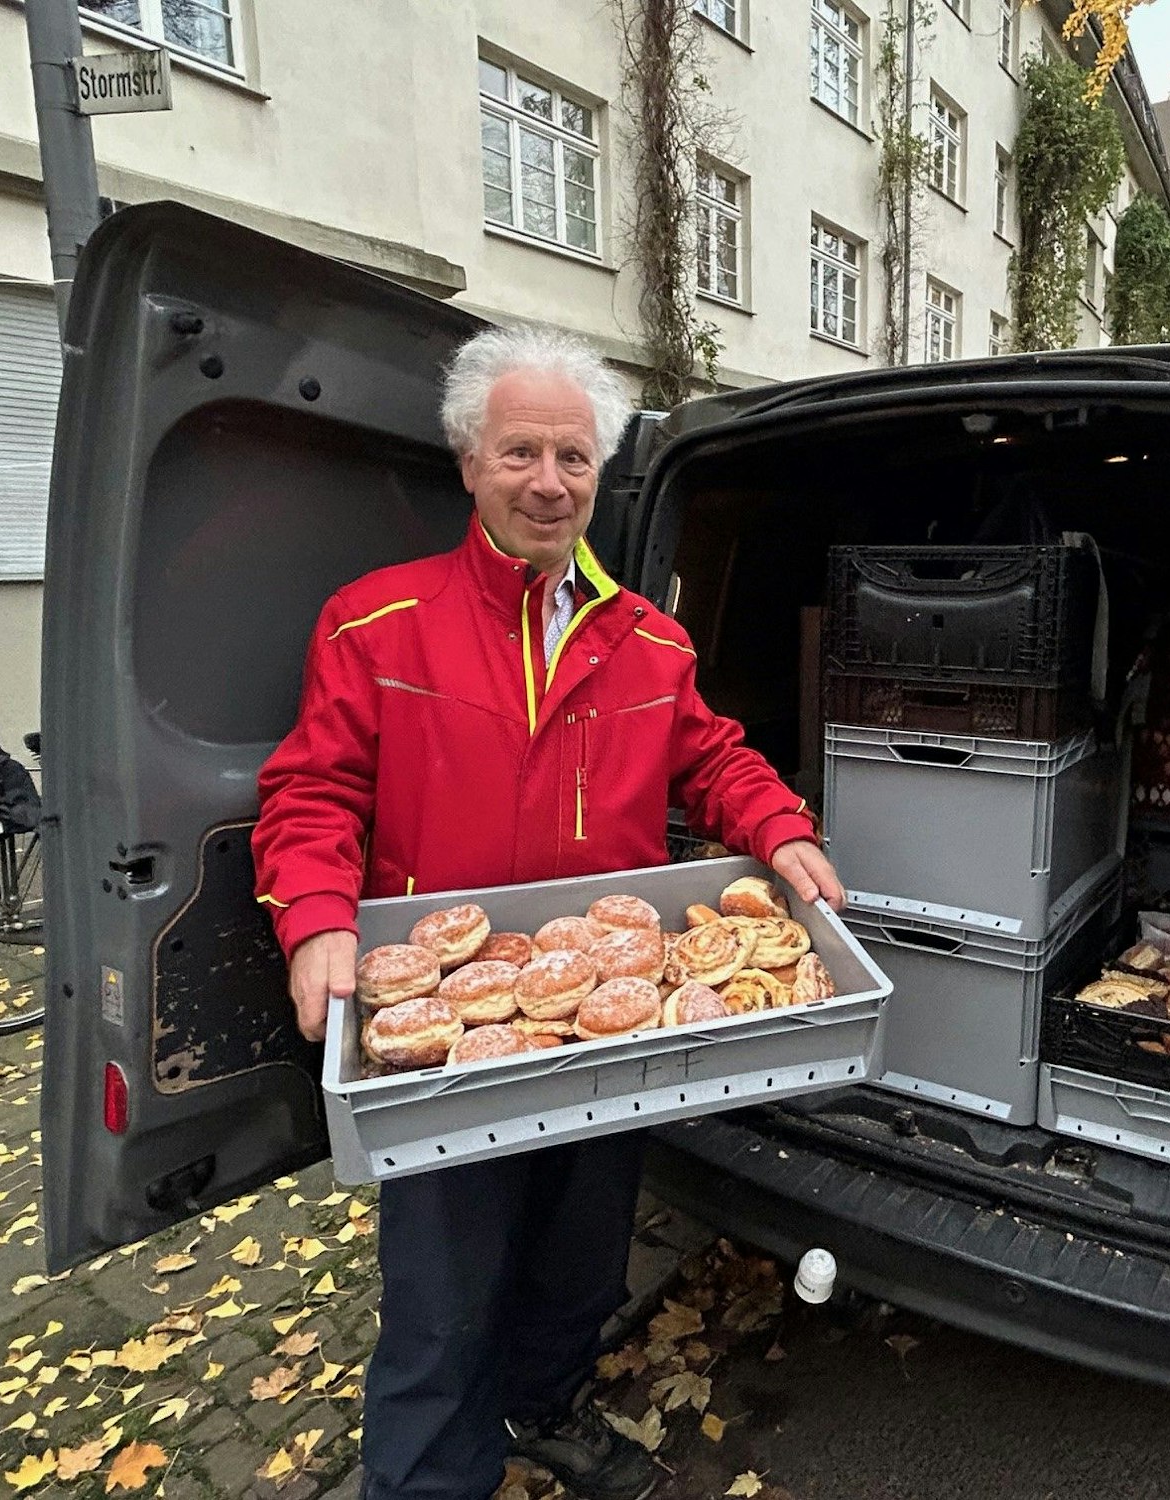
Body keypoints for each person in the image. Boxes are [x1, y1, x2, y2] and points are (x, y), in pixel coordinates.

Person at [251, 324, 843, 1500]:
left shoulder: (649, 638)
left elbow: (711, 760)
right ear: (468, 463)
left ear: (599, 472)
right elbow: (311, 790)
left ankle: (541, 1405)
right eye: (519, 452)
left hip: (608, 1028)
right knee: (441, 1300)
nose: (548, 482)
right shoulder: (376, 623)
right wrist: (317, 915)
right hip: (452, 1045)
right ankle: (428, 1476)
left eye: (572, 457)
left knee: (579, 1262)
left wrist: (779, 827)